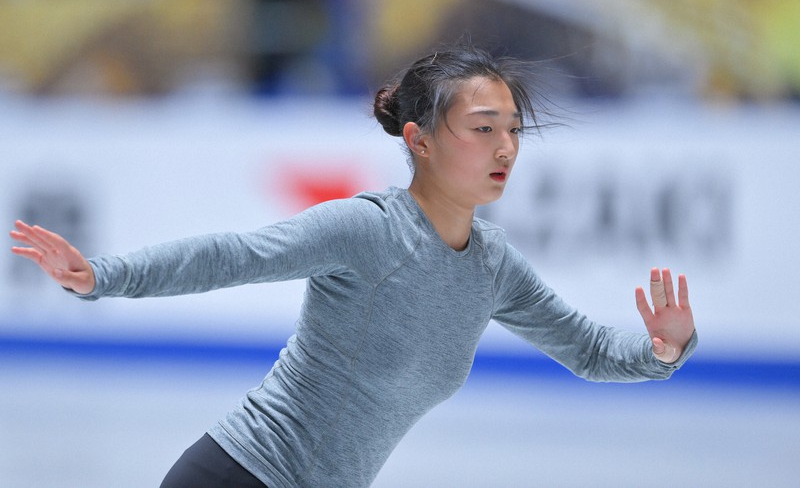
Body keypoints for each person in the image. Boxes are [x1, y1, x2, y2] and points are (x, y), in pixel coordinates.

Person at [9, 43, 697, 488]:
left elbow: (591, 350)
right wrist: (103, 276)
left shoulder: (493, 268)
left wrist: (667, 348)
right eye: (482, 128)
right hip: (239, 476)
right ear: (420, 140)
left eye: (512, 129)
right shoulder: (364, 229)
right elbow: (232, 255)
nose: (505, 147)